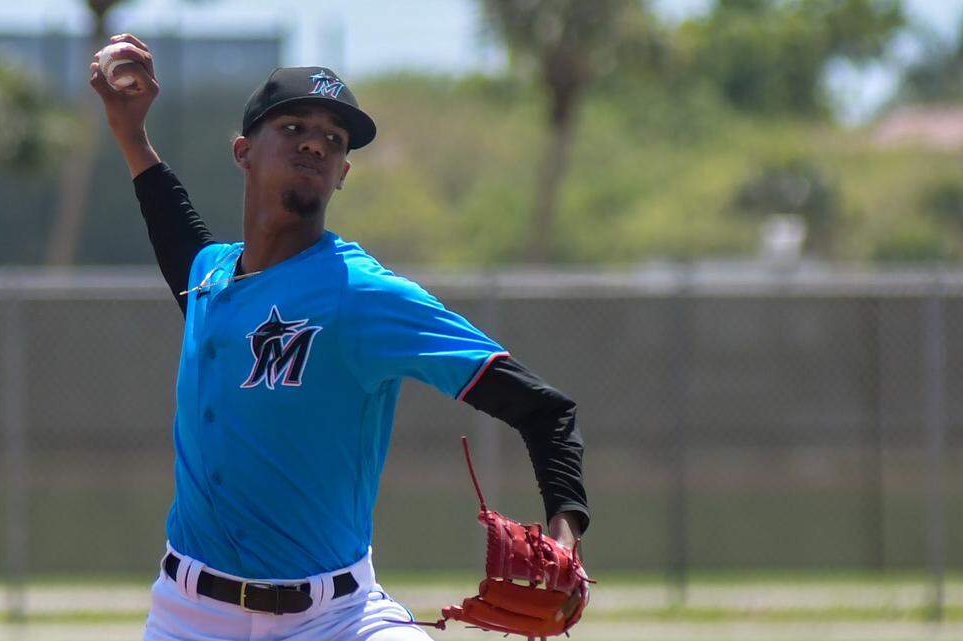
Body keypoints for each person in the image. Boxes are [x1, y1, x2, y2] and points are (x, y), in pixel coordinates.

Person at [89, 33, 590, 641]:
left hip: (335, 618)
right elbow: (176, 232)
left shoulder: (363, 294)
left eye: (333, 139)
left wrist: (565, 538)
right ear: (244, 151)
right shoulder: (209, 281)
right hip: (189, 616)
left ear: (343, 172)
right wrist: (132, 134)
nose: (314, 144)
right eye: (294, 126)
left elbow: (547, 412)